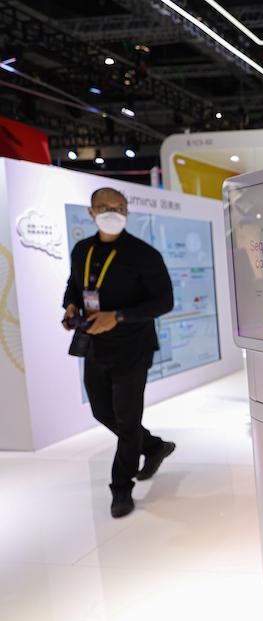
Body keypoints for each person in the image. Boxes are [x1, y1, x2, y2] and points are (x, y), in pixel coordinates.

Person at [62, 187, 176, 518]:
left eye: (119, 207)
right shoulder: (82, 249)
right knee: (101, 412)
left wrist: (119, 316)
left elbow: (164, 301)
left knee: (127, 420)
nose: (112, 212)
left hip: (133, 347)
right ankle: (154, 446)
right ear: (91, 212)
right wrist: (70, 306)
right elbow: (75, 285)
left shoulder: (143, 254)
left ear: (127, 211)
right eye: (104, 207)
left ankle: (121, 488)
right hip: (95, 344)